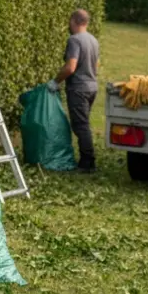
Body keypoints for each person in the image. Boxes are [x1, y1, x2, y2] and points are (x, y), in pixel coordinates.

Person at [49, 9, 100, 173]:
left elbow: (71, 67)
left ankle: (87, 162)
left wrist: (56, 81)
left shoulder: (74, 40)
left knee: (81, 125)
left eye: (70, 21)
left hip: (79, 88)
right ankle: (87, 160)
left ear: (75, 21)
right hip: (92, 86)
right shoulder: (93, 40)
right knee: (83, 123)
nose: (68, 24)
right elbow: (96, 65)